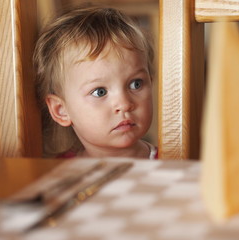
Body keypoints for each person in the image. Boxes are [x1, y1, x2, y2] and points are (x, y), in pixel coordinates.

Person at [33, 5, 157, 159]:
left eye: (135, 84)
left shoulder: (173, 162)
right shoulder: (61, 171)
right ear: (61, 110)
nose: (124, 104)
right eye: (100, 92)